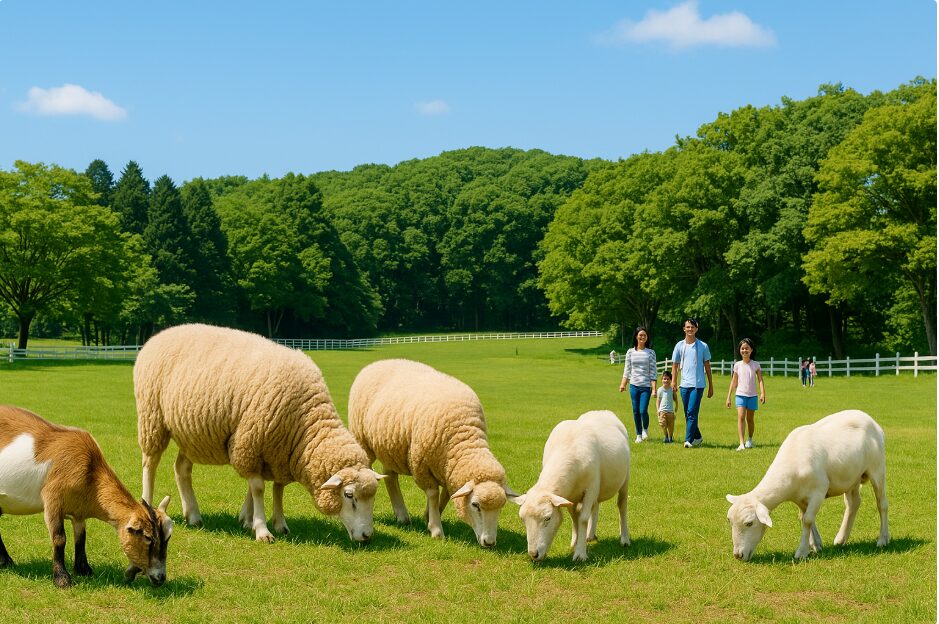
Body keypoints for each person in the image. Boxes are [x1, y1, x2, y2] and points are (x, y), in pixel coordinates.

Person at [671, 318, 713, 448]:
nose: (690, 329)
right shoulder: (679, 346)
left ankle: (688, 440)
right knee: (688, 414)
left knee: (691, 412)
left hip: (698, 385)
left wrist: (711, 386)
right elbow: (675, 365)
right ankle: (698, 437)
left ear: (697, 329)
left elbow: (707, 367)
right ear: (684, 329)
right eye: (688, 327)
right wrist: (673, 381)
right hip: (684, 385)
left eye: (692, 327)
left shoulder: (703, 346)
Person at [725, 338, 766, 451]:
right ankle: (741, 443)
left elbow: (760, 380)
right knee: (741, 417)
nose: (744, 350)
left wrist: (762, 393)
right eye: (742, 348)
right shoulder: (737, 365)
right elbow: (733, 382)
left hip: (752, 396)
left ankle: (750, 440)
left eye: (747, 348)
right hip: (740, 395)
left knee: (750, 419)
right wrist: (729, 397)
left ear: (751, 350)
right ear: (740, 350)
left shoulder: (756, 365)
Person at [618, 326, 657, 443]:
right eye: (640, 335)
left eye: (644, 335)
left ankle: (645, 429)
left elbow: (653, 372)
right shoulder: (630, 352)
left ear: (647, 337)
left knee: (643, 410)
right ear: (636, 336)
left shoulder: (650, 352)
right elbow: (627, 370)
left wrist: (654, 389)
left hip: (646, 386)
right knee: (635, 410)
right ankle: (638, 434)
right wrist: (623, 384)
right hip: (634, 385)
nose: (642, 337)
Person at [656, 370, 677, 443]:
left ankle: (670, 437)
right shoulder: (660, 390)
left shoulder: (672, 390)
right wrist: (658, 410)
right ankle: (666, 436)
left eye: (668, 379)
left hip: (670, 411)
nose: (666, 380)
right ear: (662, 380)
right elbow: (658, 400)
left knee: (671, 426)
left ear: (671, 380)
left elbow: (676, 399)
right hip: (662, 411)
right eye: (664, 379)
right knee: (662, 424)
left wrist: (676, 407)